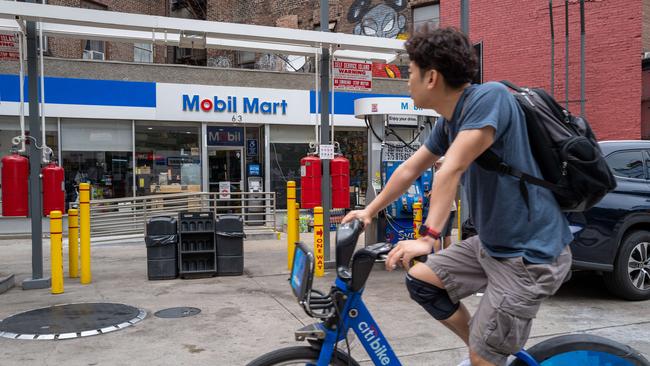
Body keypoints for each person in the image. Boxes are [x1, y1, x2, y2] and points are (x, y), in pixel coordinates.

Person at [343, 26, 572, 366]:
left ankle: (486, 355)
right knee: (422, 281)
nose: (407, 81)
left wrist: (429, 238)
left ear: (431, 77)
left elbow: (451, 168)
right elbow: (409, 170)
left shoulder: (490, 98)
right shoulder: (450, 122)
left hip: (530, 256)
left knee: (482, 356)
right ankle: (490, 353)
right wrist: (370, 211)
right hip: (492, 247)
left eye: (411, 73)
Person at [434, 156, 457, 250]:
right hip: (452, 207)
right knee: (447, 235)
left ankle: (437, 258)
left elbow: (436, 191)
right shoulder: (452, 173)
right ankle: (446, 257)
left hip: (442, 209)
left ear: (437, 164)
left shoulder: (438, 174)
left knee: (435, 235)